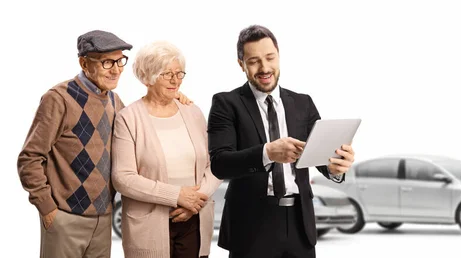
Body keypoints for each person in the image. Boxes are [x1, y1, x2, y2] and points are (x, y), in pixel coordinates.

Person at [16, 30, 192, 258]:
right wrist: (47, 207)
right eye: (107, 62)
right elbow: (29, 158)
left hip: (103, 218)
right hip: (65, 217)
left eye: (120, 61)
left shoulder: (114, 101)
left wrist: (171, 97)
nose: (116, 69)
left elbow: (140, 127)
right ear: (84, 63)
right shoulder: (59, 98)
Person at [207, 25, 356, 258]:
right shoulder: (226, 104)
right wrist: (267, 153)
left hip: (300, 223)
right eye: (254, 61)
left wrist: (335, 167)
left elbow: (318, 157)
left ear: (278, 56)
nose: (264, 68)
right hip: (251, 224)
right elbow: (220, 163)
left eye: (270, 58)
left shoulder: (303, 103)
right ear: (241, 64)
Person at [111, 40, 222, 258]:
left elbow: (214, 164)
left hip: (194, 219)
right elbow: (123, 178)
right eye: (167, 74)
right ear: (148, 77)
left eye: (180, 73)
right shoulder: (128, 118)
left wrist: (195, 200)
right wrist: (177, 196)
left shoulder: (193, 112)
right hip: (149, 224)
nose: (175, 80)